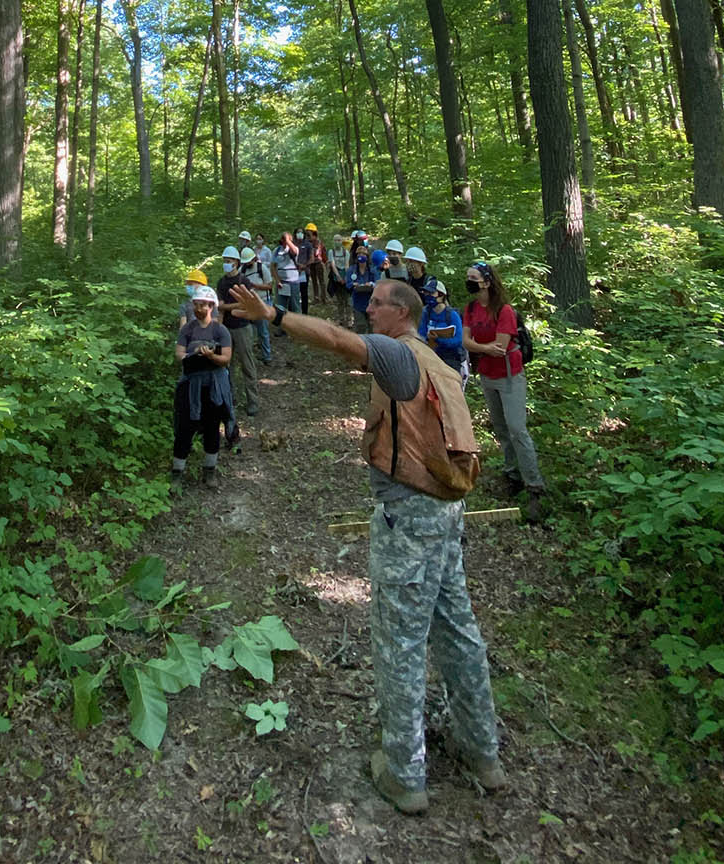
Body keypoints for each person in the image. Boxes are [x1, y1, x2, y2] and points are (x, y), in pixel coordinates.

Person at [228, 278, 506, 814]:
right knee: (459, 632)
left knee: (399, 644)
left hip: (409, 521)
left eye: (377, 303)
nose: (368, 309)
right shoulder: (437, 363)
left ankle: (405, 776)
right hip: (446, 517)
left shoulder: (399, 355)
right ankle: (483, 752)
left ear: (400, 312)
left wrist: (274, 316)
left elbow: (335, 339)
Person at [462, 261, 544, 523]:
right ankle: (512, 475)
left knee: (517, 428)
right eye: (468, 277)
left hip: (510, 376)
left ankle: (535, 487)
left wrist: (479, 347)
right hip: (487, 375)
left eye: (473, 277)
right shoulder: (471, 309)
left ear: (486, 281)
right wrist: (483, 348)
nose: (470, 281)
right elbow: (465, 341)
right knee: (500, 427)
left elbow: (502, 345)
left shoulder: (504, 310)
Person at [172, 286, 233, 491]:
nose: (198, 308)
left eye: (202, 305)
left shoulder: (220, 330)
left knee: (212, 429)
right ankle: (177, 473)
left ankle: (210, 471)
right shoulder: (187, 329)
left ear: (211, 306)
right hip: (191, 386)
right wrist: (191, 356)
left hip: (214, 387)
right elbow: (179, 353)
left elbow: (226, 359)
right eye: (196, 305)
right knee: (184, 428)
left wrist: (211, 356)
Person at [218, 247, 258, 418]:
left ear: (236, 262)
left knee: (247, 365)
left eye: (229, 260)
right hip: (226, 328)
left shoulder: (244, 281)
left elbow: (247, 304)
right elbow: (219, 307)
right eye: (224, 260)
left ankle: (253, 402)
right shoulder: (221, 283)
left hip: (242, 327)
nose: (226, 263)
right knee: (227, 367)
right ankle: (230, 399)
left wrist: (227, 307)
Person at [419, 282, 467, 388]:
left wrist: (439, 340)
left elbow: (458, 340)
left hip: (451, 359)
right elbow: (420, 334)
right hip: (430, 357)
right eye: (426, 292)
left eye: (431, 293)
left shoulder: (452, 315)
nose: (427, 296)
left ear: (441, 295)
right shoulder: (425, 313)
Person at [240, 245, 274, 365]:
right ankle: (251, 357)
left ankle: (267, 356)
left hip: (263, 302)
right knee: (249, 332)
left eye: (249, 261)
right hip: (249, 304)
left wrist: (254, 285)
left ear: (253, 259)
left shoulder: (262, 268)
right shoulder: (242, 270)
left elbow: (269, 285)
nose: (247, 263)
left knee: (263, 331)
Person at [345, 244, 377, 325]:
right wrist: (353, 284)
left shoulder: (372, 270)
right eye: (359, 254)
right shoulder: (351, 270)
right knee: (360, 326)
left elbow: (377, 283)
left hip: (370, 303)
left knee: (372, 327)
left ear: (367, 256)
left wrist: (371, 284)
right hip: (358, 303)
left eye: (363, 254)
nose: (361, 256)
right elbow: (348, 284)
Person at [272, 232, 299, 321]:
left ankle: (297, 327)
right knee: (280, 307)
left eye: (286, 239)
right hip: (281, 283)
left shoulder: (293, 249)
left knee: (295, 306)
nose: (284, 241)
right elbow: (273, 267)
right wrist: (278, 280)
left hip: (293, 282)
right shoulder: (276, 251)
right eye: (283, 239)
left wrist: (288, 240)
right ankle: (282, 328)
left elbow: (295, 252)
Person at [404, 246, 438, 312]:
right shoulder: (408, 282)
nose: (408, 264)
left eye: (411, 261)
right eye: (407, 261)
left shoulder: (429, 281)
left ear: (421, 263)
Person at [327, 233, 350, 324]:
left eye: (339, 240)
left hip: (345, 277)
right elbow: (332, 265)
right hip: (336, 278)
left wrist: (345, 277)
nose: (337, 242)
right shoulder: (331, 252)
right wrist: (338, 277)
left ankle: (349, 319)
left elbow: (347, 265)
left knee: (347, 300)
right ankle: (341, 318)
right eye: (335, 240)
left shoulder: (346, 252)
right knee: (339, 300)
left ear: (342, 241)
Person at [305, 223, 327, 305]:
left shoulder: (318, 242)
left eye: (309, 232)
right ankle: (316, 298)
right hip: (311, 264)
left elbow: (318, 253)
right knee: (314, 281)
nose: (307, 233)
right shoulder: (306, 241)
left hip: (318, 263)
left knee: (321, 281)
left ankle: (324, 298)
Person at [293, 226, 313, 313]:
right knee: (294, 293)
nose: (299, 234)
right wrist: (296, 265)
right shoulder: (292, 244)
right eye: (298, 232)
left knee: (304, 293)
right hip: (293, 272)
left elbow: (311, 258)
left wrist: (304, 266)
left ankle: (305, 313)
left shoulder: (308, 244)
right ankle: (294, 312)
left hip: (304, 273)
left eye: (301, 232)